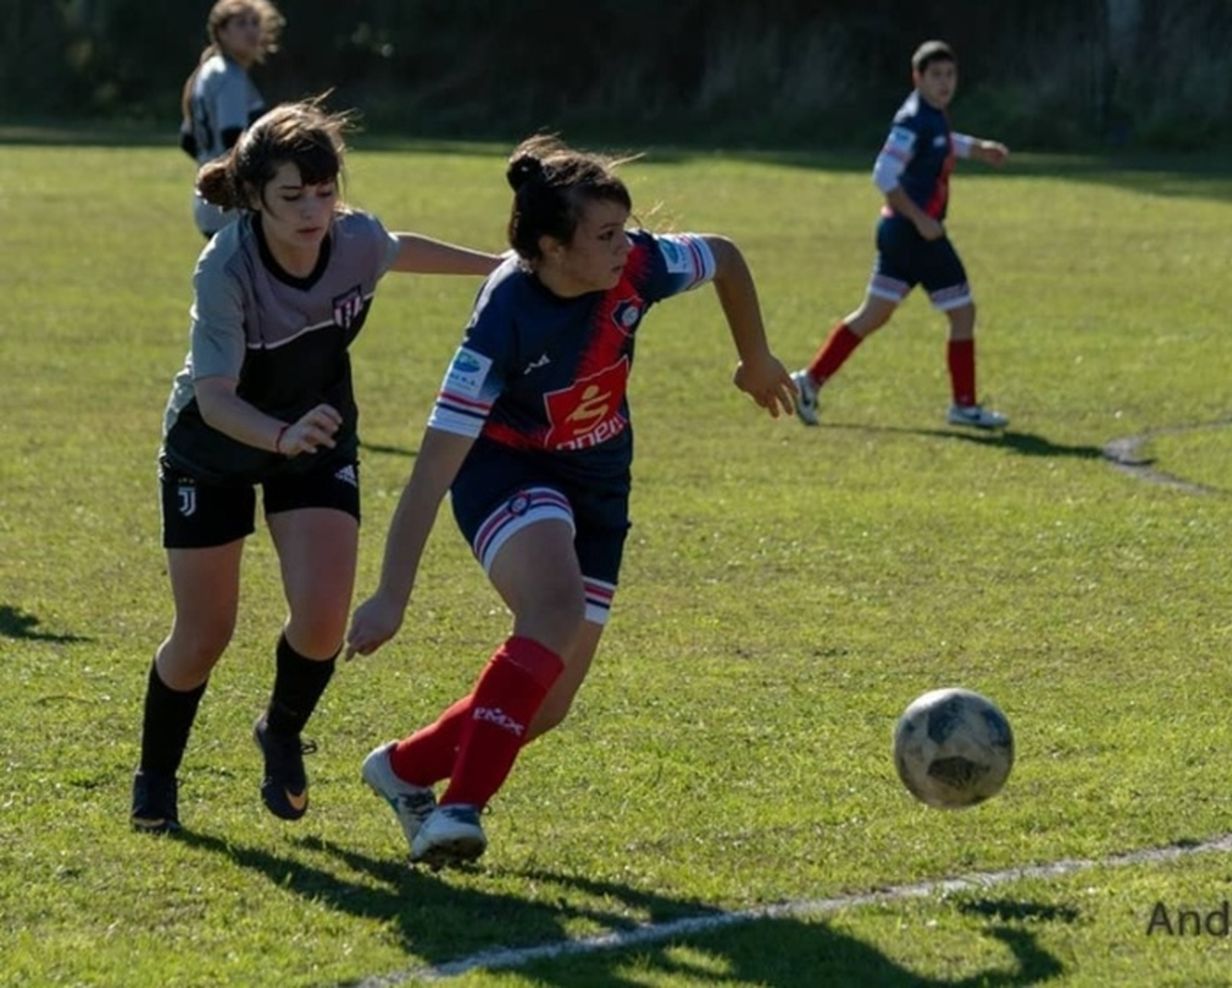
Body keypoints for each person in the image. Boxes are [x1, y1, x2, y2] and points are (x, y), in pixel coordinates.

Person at [343, 135, 797, 867]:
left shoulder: (639, 266)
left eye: (626, 230)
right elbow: (430, 472)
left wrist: (756, 358)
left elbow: (725, 254)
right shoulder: (501, 324)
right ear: (551, 248)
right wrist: (391, 594)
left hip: (600, 483)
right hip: (506, 473)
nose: (628, 248)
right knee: (551, 613)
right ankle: (459, 810)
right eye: (607, 235)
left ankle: (401, 770)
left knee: (546, 706)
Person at [132, 99, 504, 834]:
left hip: (316, 435)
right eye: (291, 196)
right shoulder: (225, 270)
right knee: (205, 633)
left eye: (324, 191)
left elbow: (396, 247)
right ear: (254, 198)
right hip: (215, 446)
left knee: (324, 616)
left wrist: (501, 270)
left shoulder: (354, 240)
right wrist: (280, 434)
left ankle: (280, 729)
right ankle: (156, 778)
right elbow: (213, 399)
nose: (312, 211)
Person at [790, 40, 1012, 430]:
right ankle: (964, 406)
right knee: (963, 312)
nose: (945, 83)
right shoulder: (912, 120)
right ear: (918, 78)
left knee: (873, 314)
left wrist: (980, 149)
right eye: (936, 76)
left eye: (950, 75)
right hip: (914, 235)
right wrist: (921, 219)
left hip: (897, 233)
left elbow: (943, 142)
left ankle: (808, 382)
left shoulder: (932, 115)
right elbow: (883, 174)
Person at [179, 0, 285, 238]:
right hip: (234, 205)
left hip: (210, 202)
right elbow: (233, 140)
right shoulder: (229, 76)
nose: (251, 30)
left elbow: (187, 141)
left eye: (255, 22)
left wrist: (210, 171)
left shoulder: (208, 71)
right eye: (240, 23)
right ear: (221, 32)